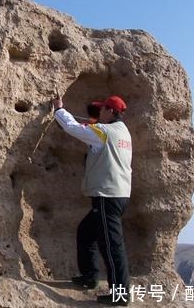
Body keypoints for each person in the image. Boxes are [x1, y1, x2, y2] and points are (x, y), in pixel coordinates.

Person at [52, 94, 133, 306]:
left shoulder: (104, 132)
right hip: (117, 195)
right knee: (86, 233)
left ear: (110, 111)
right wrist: (94, 127)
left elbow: (72, 128)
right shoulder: (122, 132)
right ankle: (89, 277)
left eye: (102, 110)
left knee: (111, 246)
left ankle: (121, 295)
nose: (99, 113)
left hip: (107, 197)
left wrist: (59, 109)